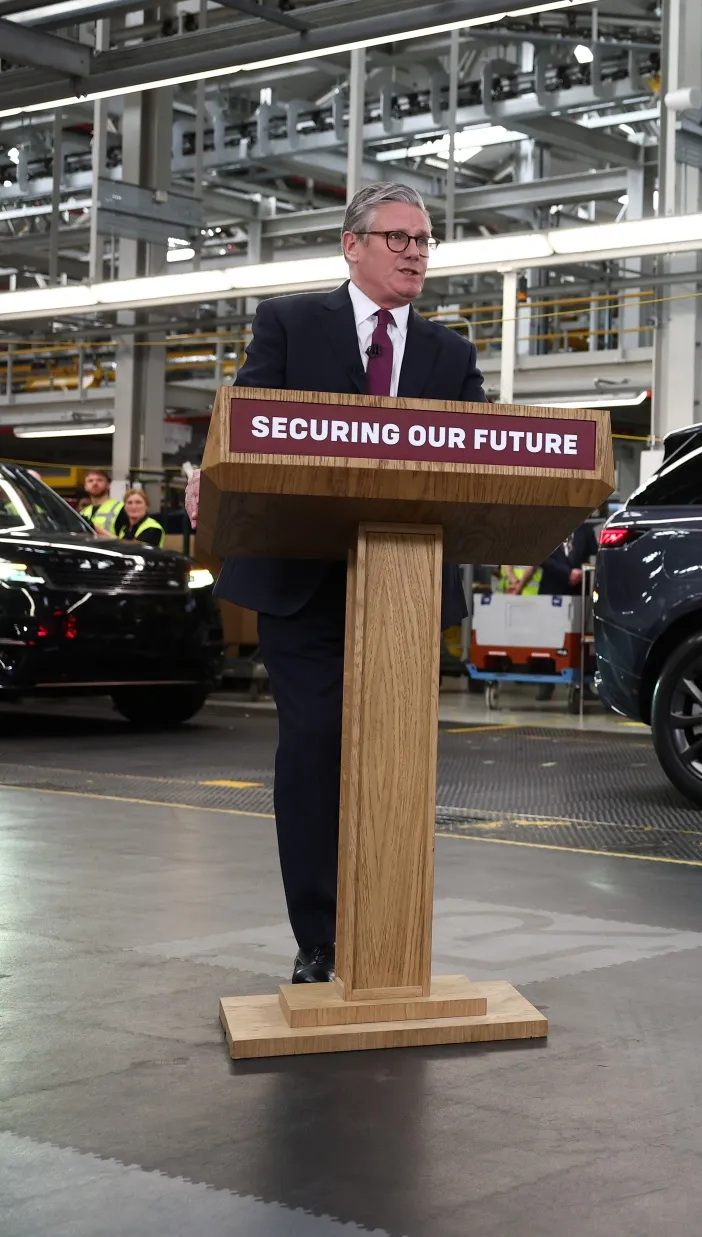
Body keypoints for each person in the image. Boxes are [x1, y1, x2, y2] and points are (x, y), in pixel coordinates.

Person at [212, 180, 487, 986]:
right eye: (398, 238)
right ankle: (321, 937)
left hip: (402, 587)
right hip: (303, 586)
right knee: (314, 754)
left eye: (424, 240)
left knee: (397, 762)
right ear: (351, 243)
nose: (414, 252)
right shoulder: (290, 324)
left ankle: (390, 930)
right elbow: (248, 426)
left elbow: (481, 459)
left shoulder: (450, 354)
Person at [75, 469, 119, 536]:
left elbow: (126, 542)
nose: (95, 483)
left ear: (108, 485)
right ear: (85, 487)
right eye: (90, 481)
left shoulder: (121, 508)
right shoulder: (83, 513)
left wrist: (98, 530)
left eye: (99, 480)